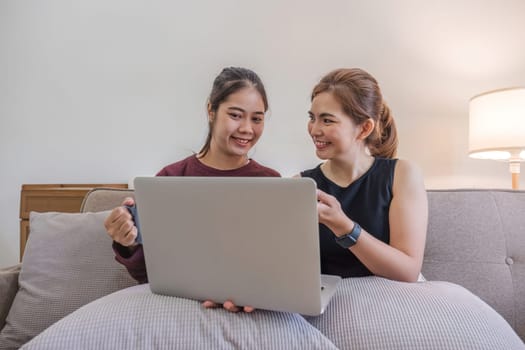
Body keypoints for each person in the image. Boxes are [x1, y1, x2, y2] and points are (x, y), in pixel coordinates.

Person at [104, 67, 280, 312]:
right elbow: (146, 273)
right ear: (211, 110)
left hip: (251, 309)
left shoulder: (272, 183)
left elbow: (276, 267)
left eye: (257, 119)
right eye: (236, 115)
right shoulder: (170, 179)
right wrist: (129, 241)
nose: (247, 129)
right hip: (181, 306)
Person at [300, 68, 427, 282]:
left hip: (391, 299)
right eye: (312, 118)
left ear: (364, 128)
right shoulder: (302, 185)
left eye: (327, 120)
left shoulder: (402, 175)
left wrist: (344, 227)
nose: (314, 129)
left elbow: (408, 272)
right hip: (326, 302)